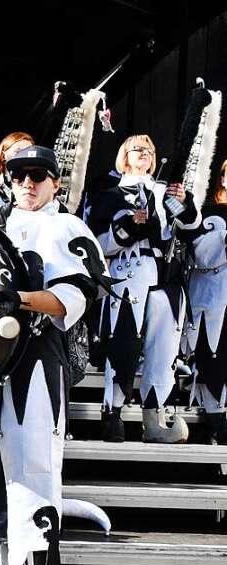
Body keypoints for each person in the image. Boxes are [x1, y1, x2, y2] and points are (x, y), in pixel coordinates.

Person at [0, 146, 102, 565]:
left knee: (36, 466)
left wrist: (19, 299)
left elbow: (74, 297)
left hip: (38, 355)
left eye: (38, 175)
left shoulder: (67, 228)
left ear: (55, 182)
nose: (27, 183)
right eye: (18, 174)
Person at [86, 135, 202, 442]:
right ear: (124, 155)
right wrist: (127, 229)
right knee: (123, 343)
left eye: (150, 150)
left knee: (163, 350)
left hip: (165, 277)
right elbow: (94, 244)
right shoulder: (109, 194)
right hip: (127, 273)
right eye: (138, 149)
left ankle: (154, 418)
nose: (145, 155)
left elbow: (191, 230)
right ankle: (113, 412)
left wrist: (186, 203)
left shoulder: (165, 193)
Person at [181, 159, 227, 442]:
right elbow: (201, 256)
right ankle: (217, 421)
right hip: (213, 301)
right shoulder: (207, 213)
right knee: (214, 359)